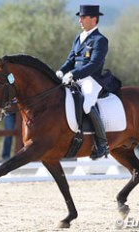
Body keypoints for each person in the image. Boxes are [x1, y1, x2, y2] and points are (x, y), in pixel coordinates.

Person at [56, 5, 109, 160]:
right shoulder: (79, 38)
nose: (80, 20)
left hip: (91, 80)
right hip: (74, 78)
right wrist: (61, 71)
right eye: (79, 17)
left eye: (83, 17)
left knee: (87, 105)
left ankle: (102, 144)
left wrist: (73, 73)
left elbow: (93, 65)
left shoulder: (100, 40)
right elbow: (70, 60)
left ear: (94, 19)